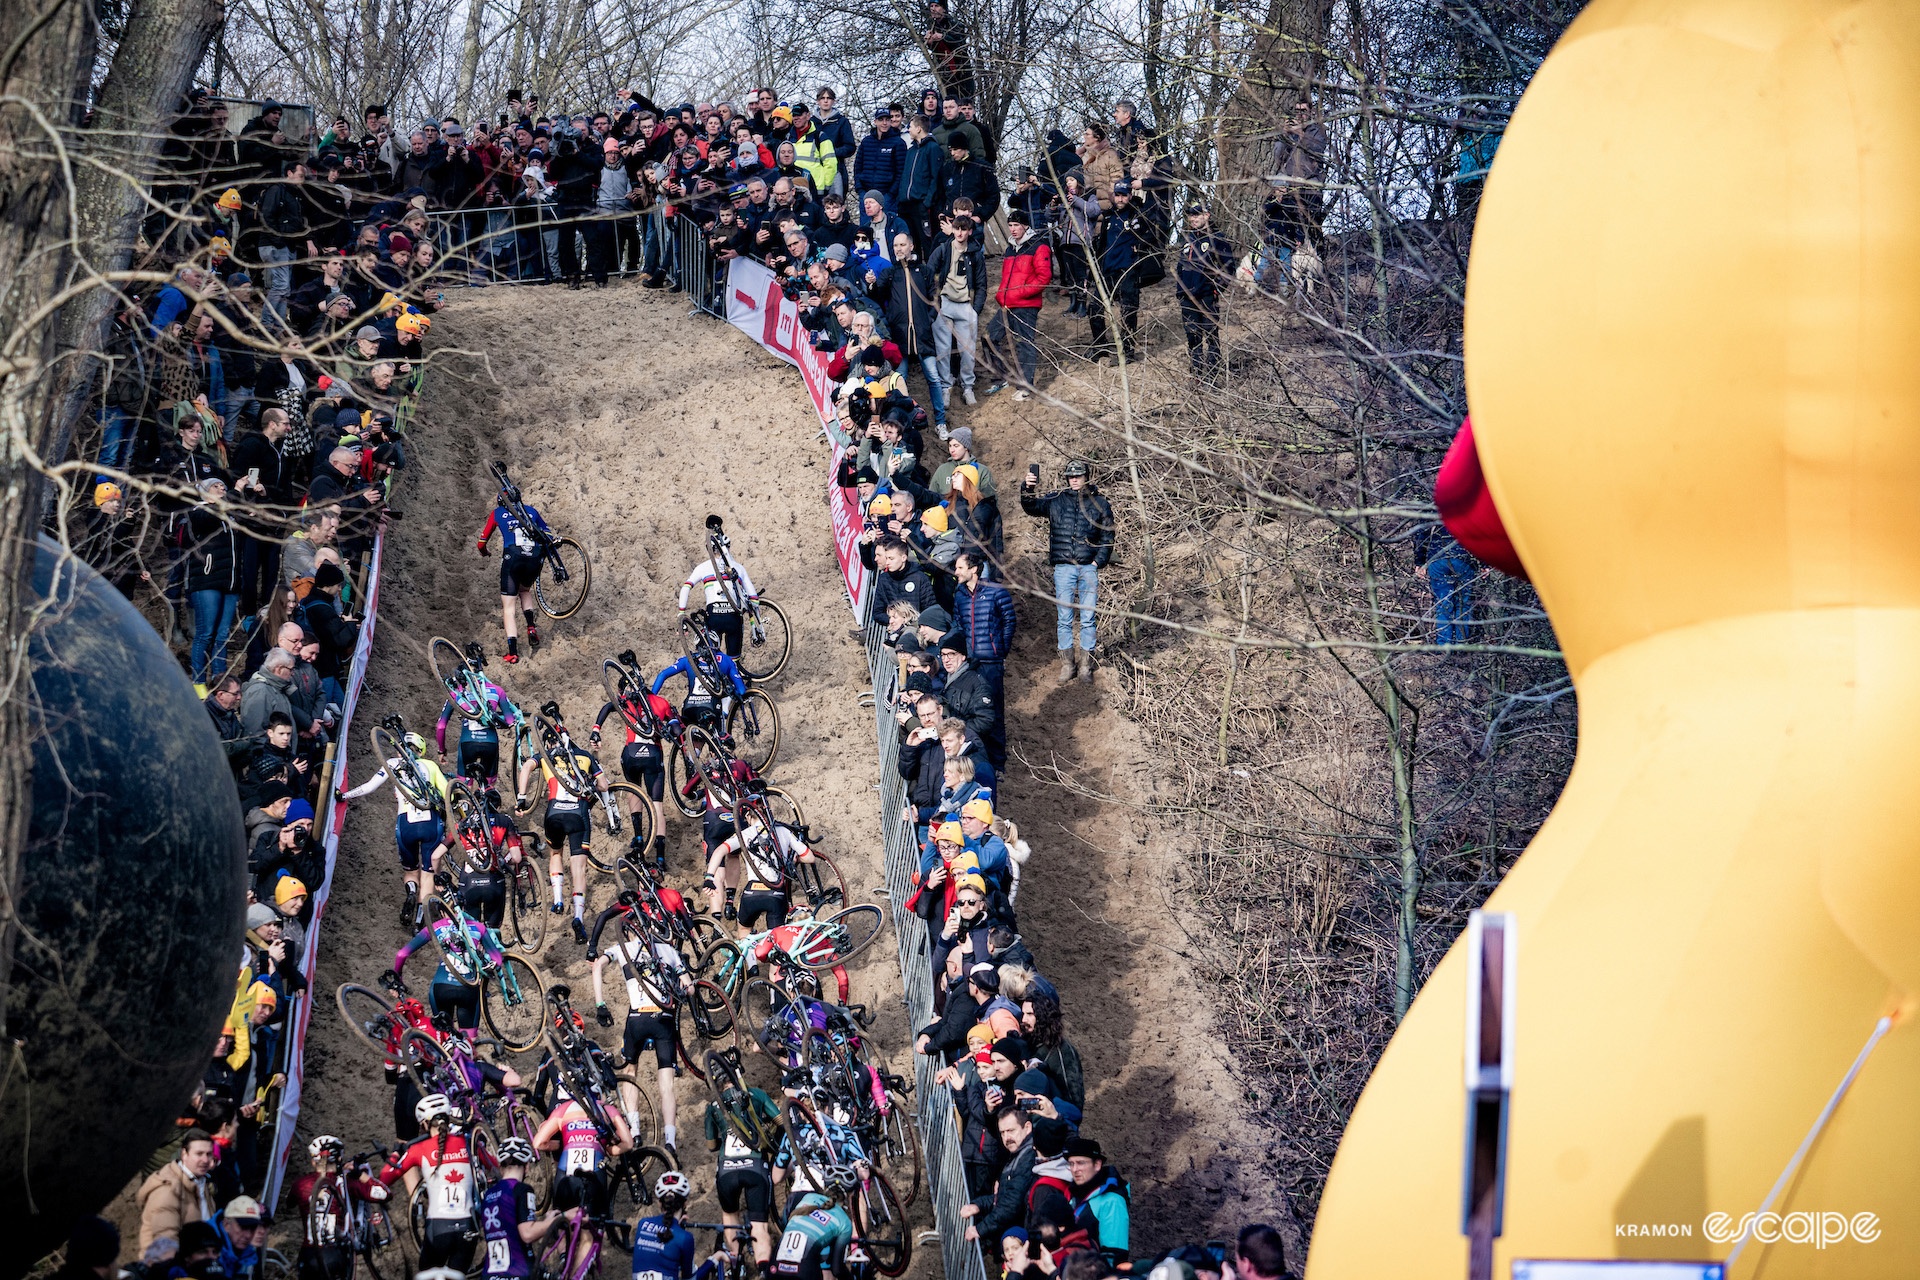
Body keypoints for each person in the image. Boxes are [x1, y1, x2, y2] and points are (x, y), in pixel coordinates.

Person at [588, 894, 690, 1153]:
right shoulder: (669, 950)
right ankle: (670, 1139)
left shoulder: (623, 950)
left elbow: (597, 966)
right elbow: (689, 989)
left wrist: (600, 1004)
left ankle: (634, 1130)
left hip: (637, 1017)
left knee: (630, 1072)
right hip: (664, 1019)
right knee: (666, 1083)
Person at [339, 727, 450, 928]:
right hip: (430, 823)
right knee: (427, 874)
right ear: (421, 751)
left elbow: (370, 786)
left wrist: (344, 795)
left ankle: (410, 891)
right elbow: (447, 794)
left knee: (410, 871)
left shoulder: (392, 763)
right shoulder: (430, 765)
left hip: (405, 824)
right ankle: (419, 920)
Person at [516, 708, 609, 943]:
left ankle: (558, 899)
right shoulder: (585, 756)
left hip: (554, 812)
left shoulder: (547, 758)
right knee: (579, 868)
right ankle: (578, 916)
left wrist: (521, 796)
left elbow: (526, 766)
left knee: (555, 852)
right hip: (578, 815)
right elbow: (604, 786)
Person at [1021, 461, 1114, 683]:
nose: (1074, 479)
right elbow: (1031, 507)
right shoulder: (1056, 500)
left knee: (1088, 619)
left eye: (1079, 476)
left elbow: (1108, 537)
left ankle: (1085, 666)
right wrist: (1027, 488)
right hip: (1063, 567)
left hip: (1088, 567)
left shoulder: (1099, 503)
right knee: (1064, 619)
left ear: (1086, 477)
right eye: (1071, 476)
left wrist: (1097, 563)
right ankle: (1067, 665)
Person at [378, 1095, 489, 1271]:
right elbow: (495, 1165)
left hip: (438, 1228)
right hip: (469, 1227)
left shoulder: (419, 1149)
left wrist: (395, 1154)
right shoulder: (468, 1142)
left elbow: (384, 1181)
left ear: (424, 1124)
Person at [703, 1075, 782, 1266]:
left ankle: (734, 1266)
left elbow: (711, 1145)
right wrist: (773, 1145)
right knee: (759, 1228)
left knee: (730, 1218)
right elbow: (781, 1122)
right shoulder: (757, 1094)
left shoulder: (713, 1105)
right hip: (755, 1167)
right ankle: (764, 1269)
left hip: (727, 1170)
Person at [533, 1079, 635, 1223]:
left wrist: (564, 1145)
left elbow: (539, 1143)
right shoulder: (607, 1109)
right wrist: (608, 1150)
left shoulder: (564, 1109)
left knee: (562, 1226)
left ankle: (563, 1246)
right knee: (591, 1229)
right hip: (595, 1172)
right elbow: (628, 1143)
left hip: (565, 1172)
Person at [475, 479, 552, 664]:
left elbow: (481, 543)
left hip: (513, 557)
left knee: (508, 607)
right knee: (524, 590)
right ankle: (531, 627)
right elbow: (548, 534)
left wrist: (485, 552)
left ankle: (513, 653)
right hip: (534, 557)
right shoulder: (531, 510)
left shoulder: (497, 513)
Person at [294, 1134, 389, 1280]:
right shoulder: (348, 1181)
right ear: (339, 1159)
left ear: (314, 1162)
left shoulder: (300, 1184)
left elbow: (289, 1203)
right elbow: (385, 1194)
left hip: (308, 1255)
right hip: (336, 1254)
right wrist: (360, 1175)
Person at [982, 209, 1051, 399]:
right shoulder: (1010, 248)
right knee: (989, 336)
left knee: (1024, 344)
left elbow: (1044, 277)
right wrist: (1002, 295)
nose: (1012, 229)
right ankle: (1000, 379)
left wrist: (1019, 293)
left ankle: (1026, 388)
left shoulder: (1039, 246)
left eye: (1016, 225)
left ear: (1026, 226)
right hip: (1007, 305)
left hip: (1026, 306)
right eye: (1010, 225)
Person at [479, 1137, 563, 1279]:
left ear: (500, 1167)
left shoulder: (488, 1194)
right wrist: (554, 1220)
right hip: (518, 1272)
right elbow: (527, 1234)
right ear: (527, 1166)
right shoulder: (522, 1190)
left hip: (490, 1274)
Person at [678, 517, 760, 658]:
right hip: (734, 618)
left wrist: (681, 613)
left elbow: (686, 587)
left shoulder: (702, 568)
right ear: (728, 547)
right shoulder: (738, 568)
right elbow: (754, 599)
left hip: (714, 618)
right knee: (734, 662)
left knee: (712, 660)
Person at [1174, 203, 1238, 381]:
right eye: (1190, 215)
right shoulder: (1186, 238)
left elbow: (1228, 268)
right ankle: (1196, 377)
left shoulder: (1217, 238)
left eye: (1197, 215)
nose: (1193, 218)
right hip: (1187, 297)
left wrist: (1216, 289)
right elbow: (1180, 267)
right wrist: (1180, 289)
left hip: (1207, 296)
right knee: (1192, 338)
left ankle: (1212, 377)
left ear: (1207, 215)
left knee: (1211, 336)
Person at [927, 214, 985, 407]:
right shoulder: (943, 249)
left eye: (964, 229)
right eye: (956, 228)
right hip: (944, 303)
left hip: (965, 305)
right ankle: (946, 386)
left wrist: (975, 309)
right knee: (942, 350)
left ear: (969, 231)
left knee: (968, 350)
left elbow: (982, 284)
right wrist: (934, 303)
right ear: (952, 229)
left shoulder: (975, 253)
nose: (960, 232)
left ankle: (968, 386)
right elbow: (929, 275)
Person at [138, 1128, 217, 1253]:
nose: (205, 1160)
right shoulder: (168, 1190)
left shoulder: (202, 1183)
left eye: (209, 1154)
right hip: (173, 1268)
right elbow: (165, 1240)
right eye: (199, 1154)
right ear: (184, 1154)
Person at [952, 549, 1015, 704]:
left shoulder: (996, 591)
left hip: (991, 662)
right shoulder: (959, 594)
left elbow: (1009, 622)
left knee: (994, 706)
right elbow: (958, 624)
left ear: (973, 569)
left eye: (960, 568)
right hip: (969, 662)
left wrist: (1000, 650)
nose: (956, 572)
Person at [1065, 1138, 1130, 1260]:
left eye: (1081, 1163)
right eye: (1071, 1163)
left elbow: (1114, 1255)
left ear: (1097, 1165)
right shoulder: (1075, 1192)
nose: (1075, 1169)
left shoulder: (1112, 1201)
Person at [768, 1192, 854, 1280]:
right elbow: (837, 1270)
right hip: (803, 1270)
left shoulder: (808, 1197)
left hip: (775, 1266)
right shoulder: (845, 1221)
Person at [628, 1172, 697, 1280]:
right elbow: (690, 1277)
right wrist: (714, 1259)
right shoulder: (685, 1238)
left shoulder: (642, 1224)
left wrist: (675, 1228)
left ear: (659, 1203)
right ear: (685, 1204)